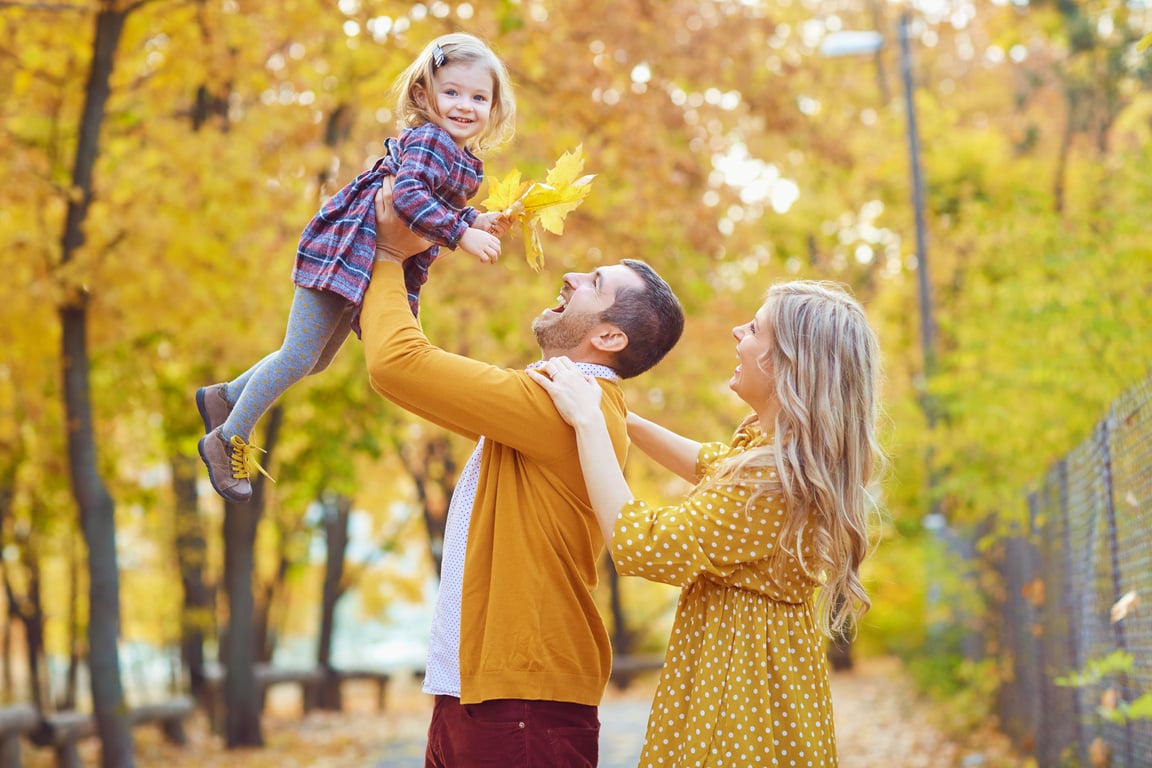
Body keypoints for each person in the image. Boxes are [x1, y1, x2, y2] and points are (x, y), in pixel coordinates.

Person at [362, 189, 685, 767]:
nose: (570, 274)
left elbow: (398, 364)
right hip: (482, 694)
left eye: (594, 282)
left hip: (522, 703)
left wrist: (388, 254)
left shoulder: (566, 404)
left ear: (610, 338)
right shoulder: (566, 399)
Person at [528, 280, 885, 767]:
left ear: (788, 365)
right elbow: (706, 463)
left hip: (740, 698)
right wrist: (616, 413)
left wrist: (591, 424)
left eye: (755, 328)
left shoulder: (771, 478)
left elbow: (642, 546)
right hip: (764, 682)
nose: (738, 331)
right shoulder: (777, 459)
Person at [196, 32, 516, 503]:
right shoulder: (431, 139)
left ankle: (224, 397)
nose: (464, 105)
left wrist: (474, 218)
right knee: (299, 355)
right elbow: (409, 197)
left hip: (361, 258)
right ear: (424, 96)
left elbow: (437, 199)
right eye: (451, 92)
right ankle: (226, 438)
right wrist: (460, 233)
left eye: (478, 97)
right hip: (345, 250)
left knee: (317, 359)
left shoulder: (461, 156)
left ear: (494, 107)